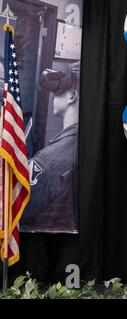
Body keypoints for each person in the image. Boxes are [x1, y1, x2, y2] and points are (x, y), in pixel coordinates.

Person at [20, 62, 80, 233]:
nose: (53, 97)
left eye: (57, 91)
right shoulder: (80, 143)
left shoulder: (51, 159)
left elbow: (21, 208)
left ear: (72, 96)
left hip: (44, 237)